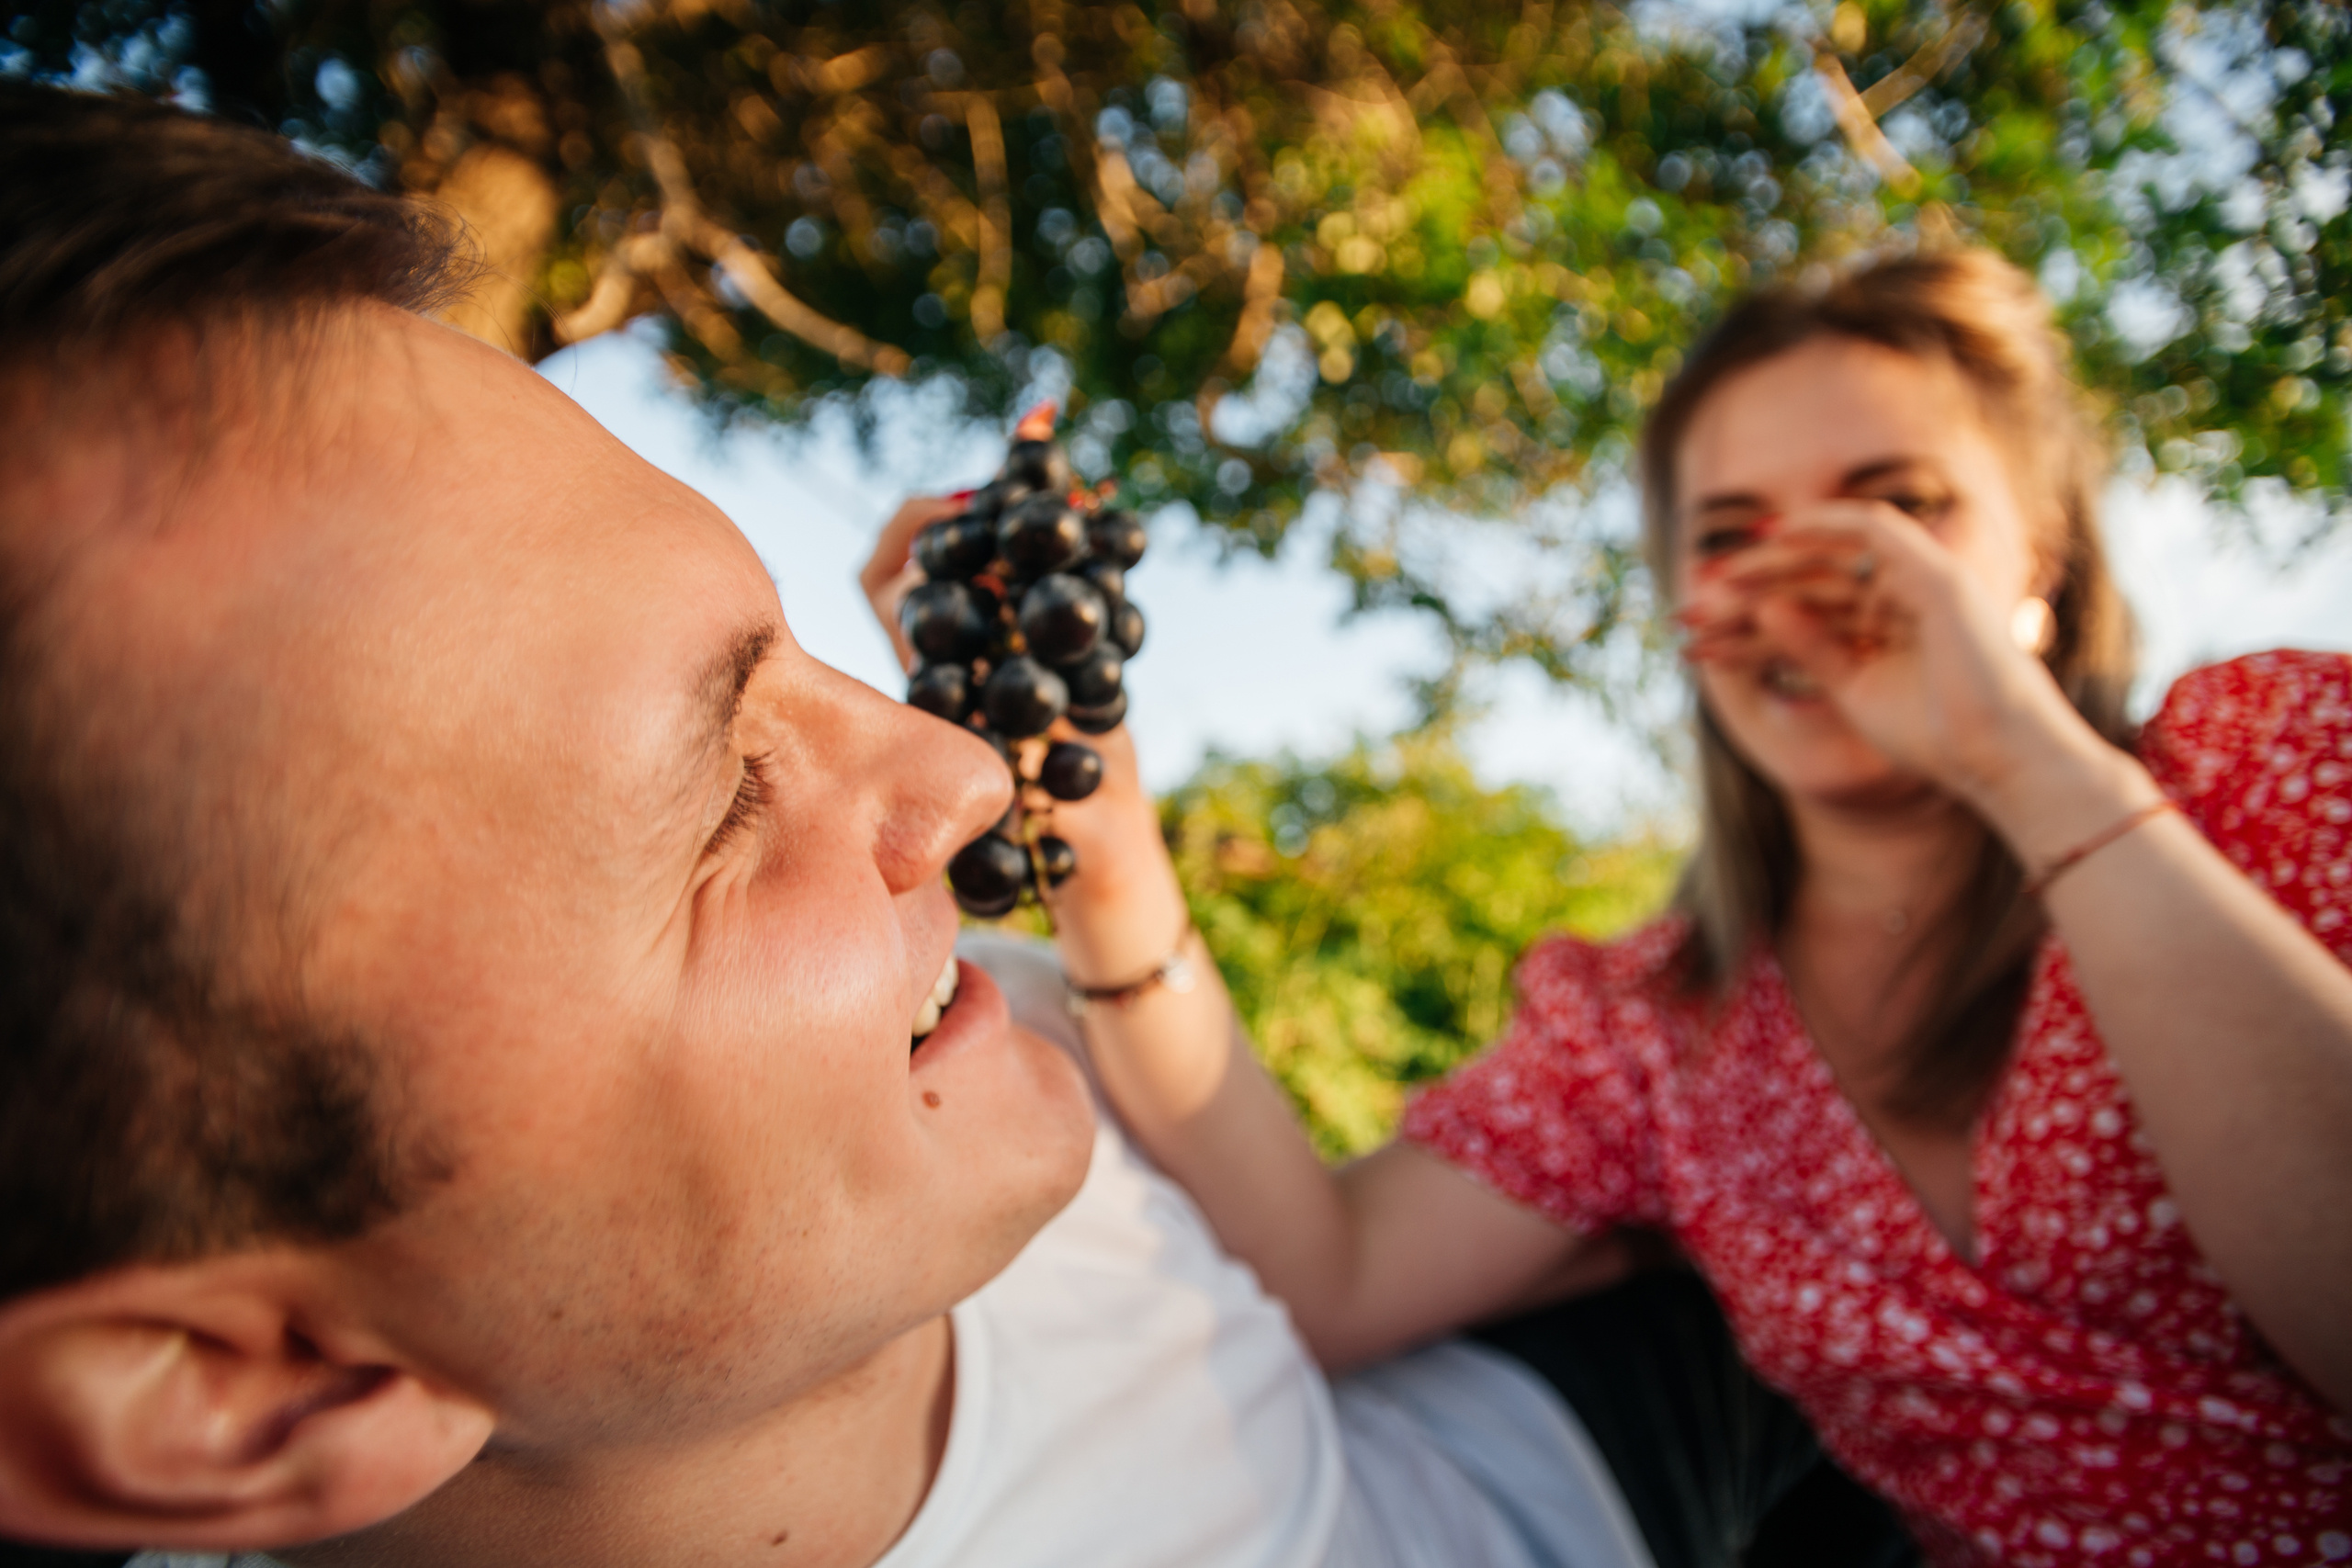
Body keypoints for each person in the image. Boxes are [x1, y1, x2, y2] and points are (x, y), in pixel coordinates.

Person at [0, 84, 1675, 1568]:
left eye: (794, 649)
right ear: (241, 1386)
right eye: (724, 796)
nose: (956, 777)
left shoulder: (941, 1068)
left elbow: (1315, 1270)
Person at [1020, 249, 2352, 1567]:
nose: (1808, 578)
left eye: (1896, 507)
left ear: (2043, 563)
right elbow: (1331, 1276)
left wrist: (2024, 762)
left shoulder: (2269, 770)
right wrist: (1103, 840)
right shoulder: (1658, 1030)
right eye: (1732, 536)